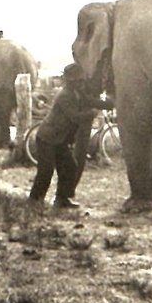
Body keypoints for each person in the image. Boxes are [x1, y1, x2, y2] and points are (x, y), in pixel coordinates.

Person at [28, 63, 114, 209]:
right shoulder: (65, 95)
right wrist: (92, 113)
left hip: (59, 139)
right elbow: (74, 117)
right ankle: (34, 201)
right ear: (71, 81)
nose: (81, 83)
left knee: (70, 167)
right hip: (47, 139)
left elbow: (91, 101)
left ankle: (62, 199)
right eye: (78, 80)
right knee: (46, 171)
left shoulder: (77, 93)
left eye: (81, 80)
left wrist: (109, 104)